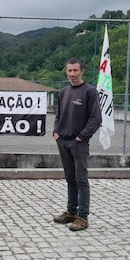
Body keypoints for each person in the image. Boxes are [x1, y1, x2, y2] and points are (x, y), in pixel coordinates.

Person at [52, 58, 102, 231]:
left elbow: (96, 118)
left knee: (81, 180)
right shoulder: (64, 92)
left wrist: (82, 136)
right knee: (70, 179)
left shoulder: (90, 92)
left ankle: (83, 217)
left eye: (75, 71)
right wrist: (56, 131)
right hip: (63, 141)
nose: (72, 74)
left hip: (79, 143)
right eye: (69, 71)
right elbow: (58, 114)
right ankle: (71, 212)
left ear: (82, 71)